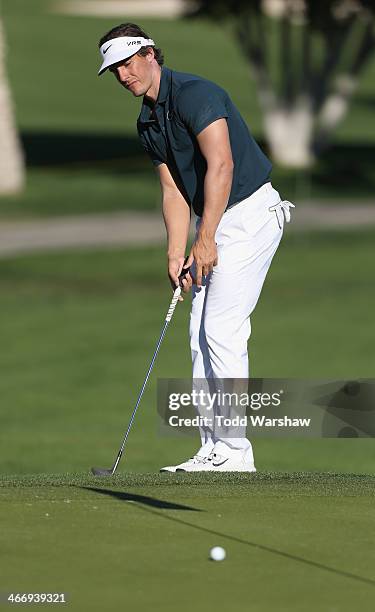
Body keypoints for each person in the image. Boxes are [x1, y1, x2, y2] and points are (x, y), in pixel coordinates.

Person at [97, 23, 294, 473]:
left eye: (128, 63)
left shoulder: (194, 94)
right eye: (115, 71)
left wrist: (205, 240)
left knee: (223, 329)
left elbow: (221, 164)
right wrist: (176, 251)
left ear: (150, 54)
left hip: (248, 215)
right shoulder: (147, 121)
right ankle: (213, 448)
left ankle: (234, 452)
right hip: (214, 219)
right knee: (198, 334)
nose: (124, 75)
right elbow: (172, 191)